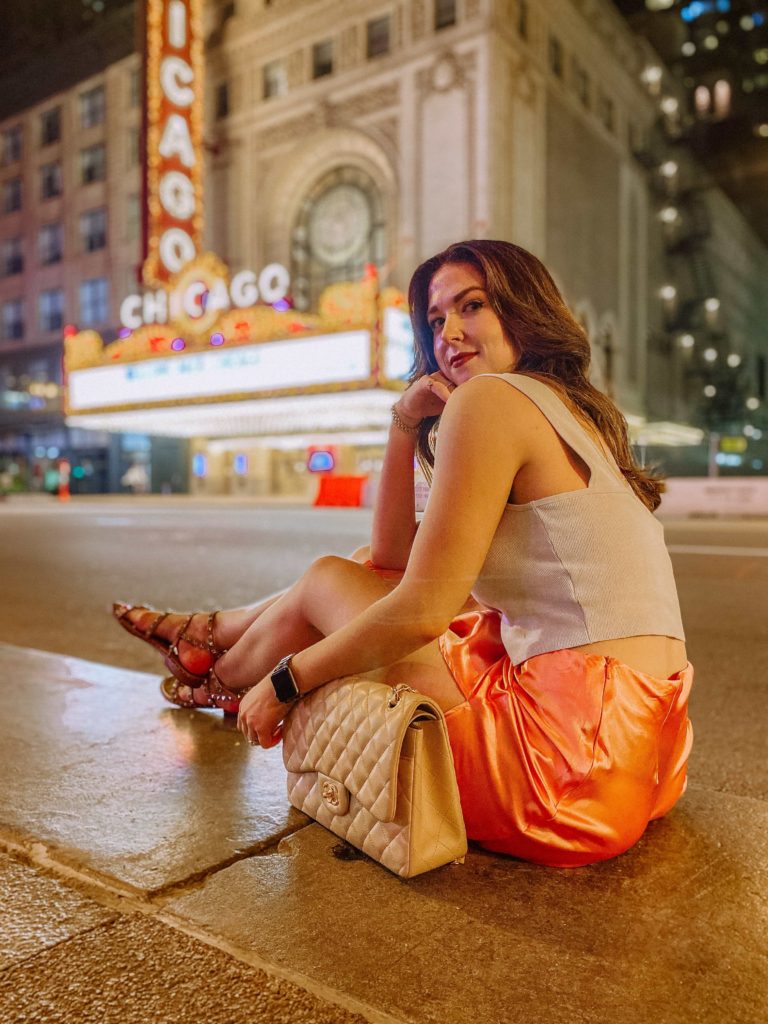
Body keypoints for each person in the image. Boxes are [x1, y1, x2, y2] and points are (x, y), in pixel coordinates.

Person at [114, 240, 692, 868]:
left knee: (327, 580)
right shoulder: (576, 411)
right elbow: (392, 557)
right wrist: (405, 420)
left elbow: (418, 608)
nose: (450, 333)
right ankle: (214, 647)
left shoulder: (492, 401)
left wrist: (285, 682)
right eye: (436, 320)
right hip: (646, 754)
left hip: (560, 771)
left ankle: (221, 677)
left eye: (472, 306)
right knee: (361, 565)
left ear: (525, 308)